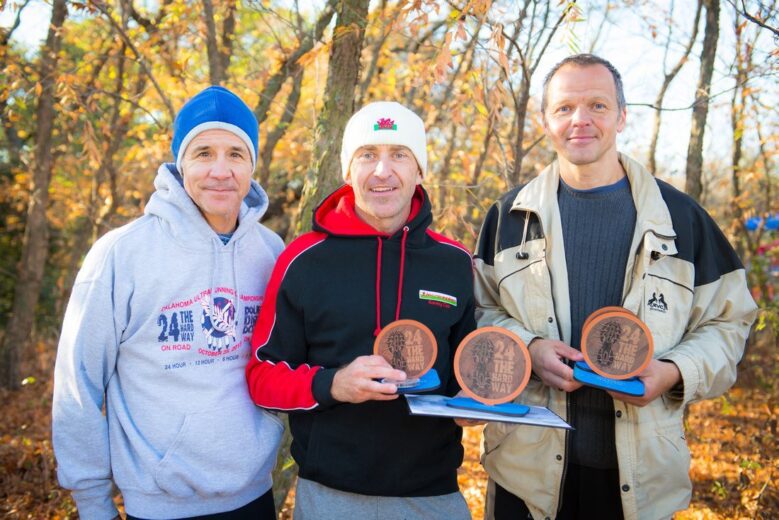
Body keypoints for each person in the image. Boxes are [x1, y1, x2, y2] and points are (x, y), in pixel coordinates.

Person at [473, 54, 757, 519]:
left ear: (622, 116)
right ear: (545, 120)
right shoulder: (508, 219)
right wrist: (529, 349)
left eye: (597, 106)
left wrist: (672, 372)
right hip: (526, 480)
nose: (579, 120)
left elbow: (730, 324)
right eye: (564, 108)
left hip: (640, 486)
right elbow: (479, 314)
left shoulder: (681, 219)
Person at [52, 86, 285, 520]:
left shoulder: (271, 252)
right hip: (160, 504)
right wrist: (92, 503)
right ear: (180, 163)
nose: (221, 170)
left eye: (236, 154)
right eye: (203, 153)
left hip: (255, 495)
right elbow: (76, 385)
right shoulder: (122, 254)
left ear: (253, 165)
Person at [246, 101, 476, 519]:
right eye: (367, 155)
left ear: (420, 170)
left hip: (433, 497)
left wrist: (475, 402)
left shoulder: (455, 262)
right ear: (347, 170)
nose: (382, 171)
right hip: (330, 497)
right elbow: (262, 378)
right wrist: (333, 385)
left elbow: (469, 372)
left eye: (399, 155)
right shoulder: (304, 259)